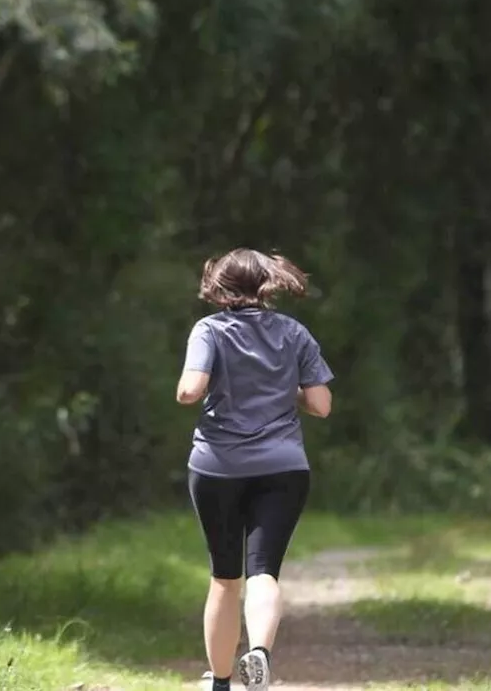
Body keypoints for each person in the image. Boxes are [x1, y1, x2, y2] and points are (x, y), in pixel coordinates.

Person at [176, 248, 333, 691]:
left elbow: (190, 391)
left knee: (226, 578)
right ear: (267, 284)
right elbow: (320, 405)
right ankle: (260, 652)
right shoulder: (294, 332)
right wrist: (287, 392)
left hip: (217, 466)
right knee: (264, 570)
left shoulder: (209, 330)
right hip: (283, 467)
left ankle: (221, 681)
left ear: (219, 286)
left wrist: (199, 385)